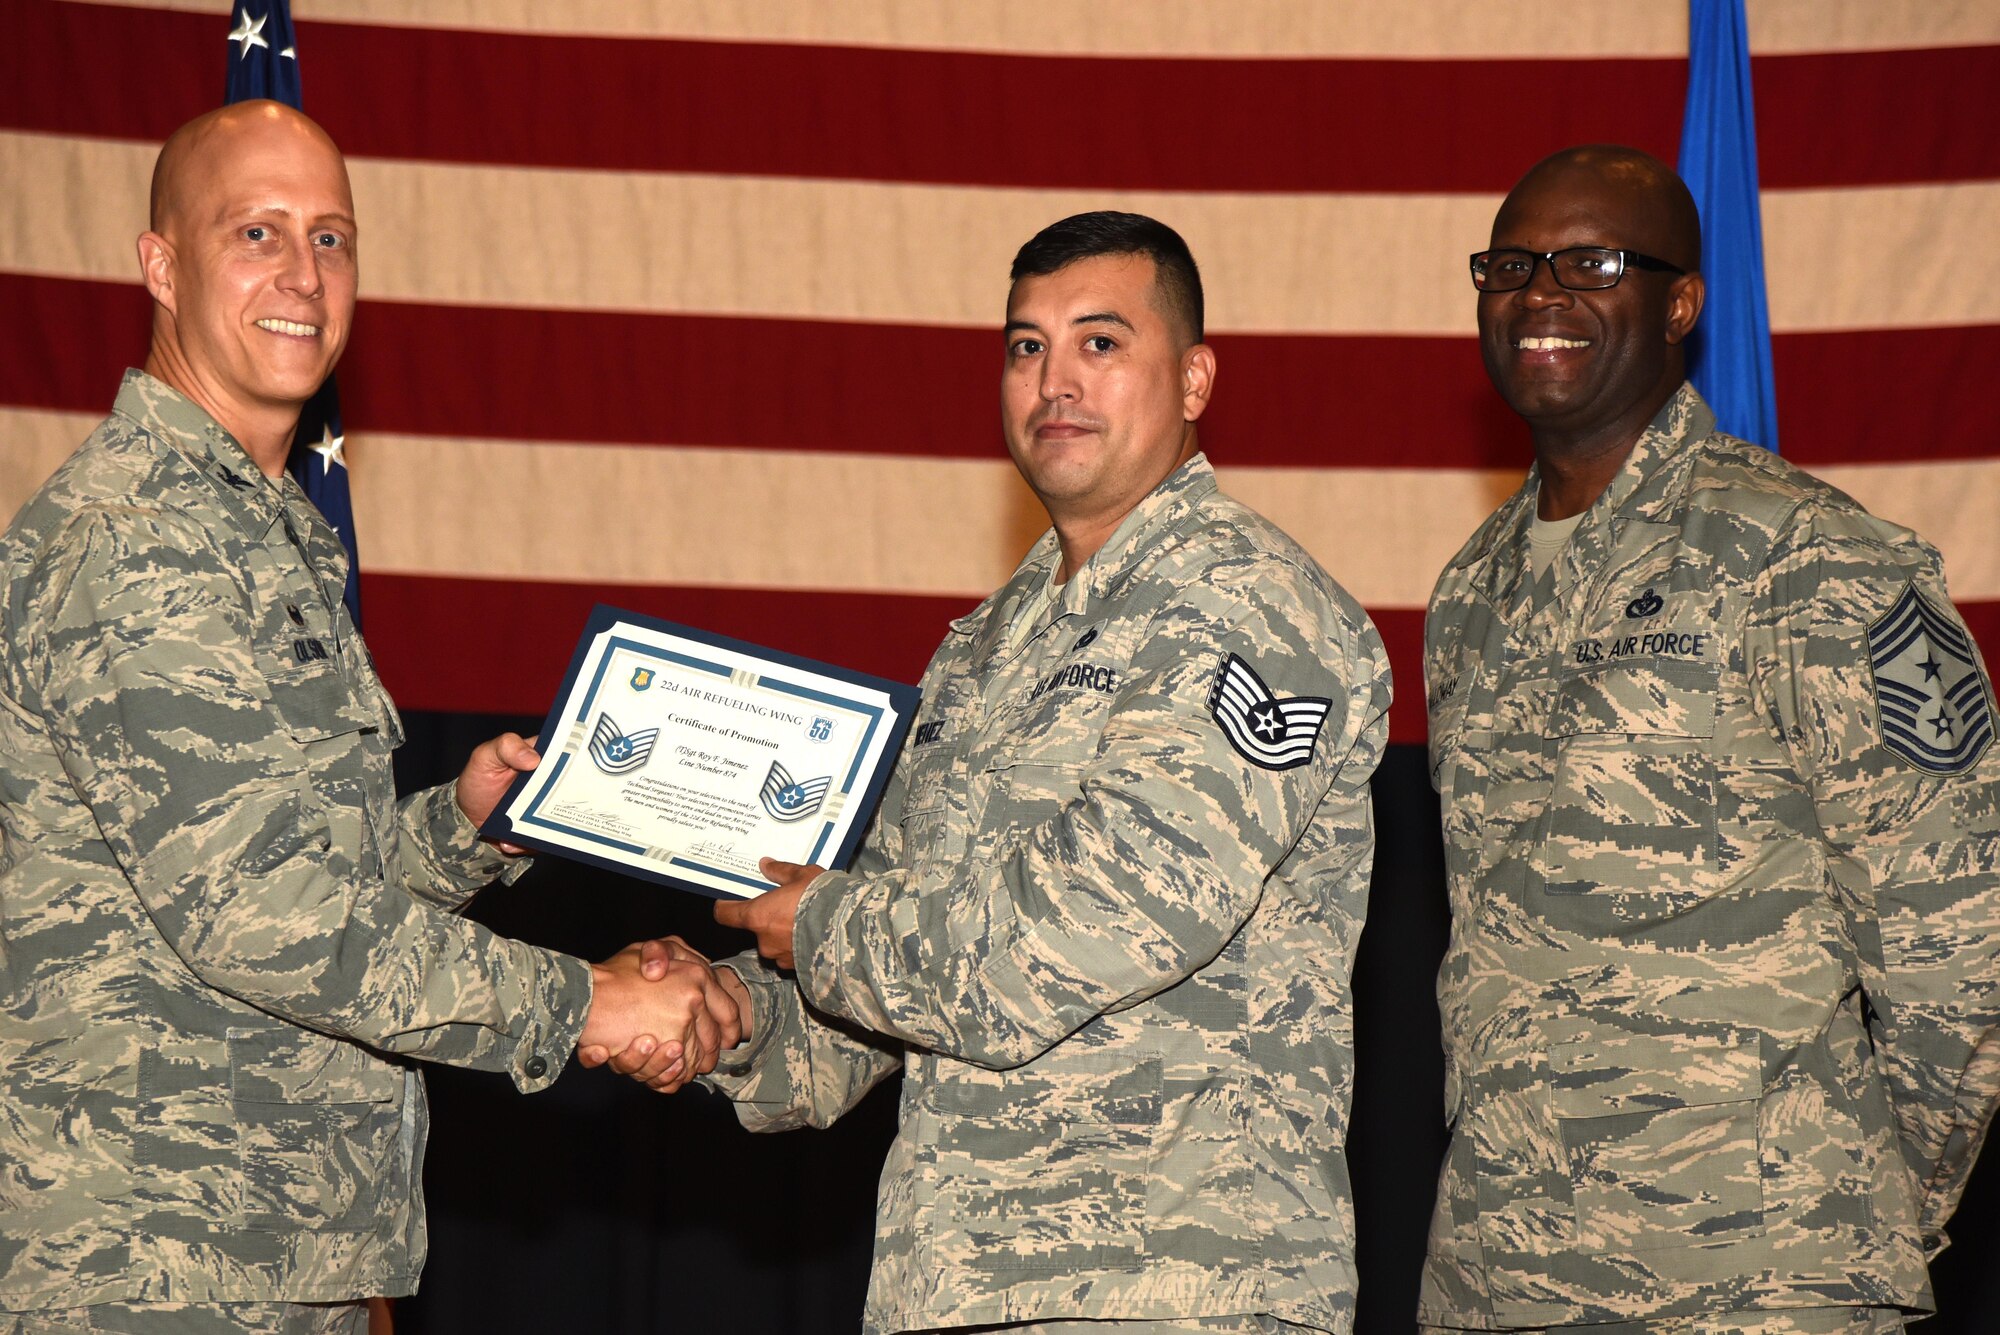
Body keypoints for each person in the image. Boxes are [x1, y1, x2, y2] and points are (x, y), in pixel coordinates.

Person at [0, 101, 731, 1335]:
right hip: (157, 1254)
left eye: (331, 238)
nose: (302, 275)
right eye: (257, 233)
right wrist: (590, 1005)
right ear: (161, 266)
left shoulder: (260, 527)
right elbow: (262, 919)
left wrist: (460, 830)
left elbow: (293, 871)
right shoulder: (141, 541)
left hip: (275, 1244)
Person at [612, 212, 1391, 1333]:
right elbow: (880, 990)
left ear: (1194, 379)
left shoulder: (1247, 607)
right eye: (1025, 346)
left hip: (1172, 1286)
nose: (1053, 383)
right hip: (961, 1284)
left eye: (1100, 343)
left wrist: (822, 927)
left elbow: (1092, 922)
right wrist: (724, 1018)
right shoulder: (986, 646)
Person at [1419, 145, 2000, 1334]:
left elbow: (1956, 947)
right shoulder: (1469, 591)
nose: (1541, 293)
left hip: (1755, 1276)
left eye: (1592, 262)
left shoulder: (1811, 560)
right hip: (1500, 1274)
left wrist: (1865, 1212)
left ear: (1679, 302)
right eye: (1513, 264)